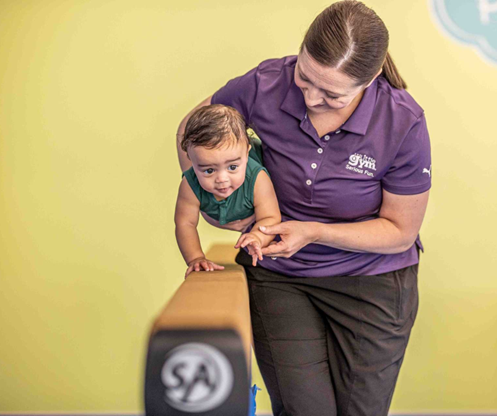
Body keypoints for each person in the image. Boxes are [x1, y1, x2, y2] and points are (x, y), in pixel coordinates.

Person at [175, 1, 431, 414]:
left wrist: (313, 230)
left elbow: (400, 231)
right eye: (305, 78)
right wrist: (209, 196)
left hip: (374, 284)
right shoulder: (265, 83)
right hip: (282, 279)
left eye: (331, 93)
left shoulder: (402, 121)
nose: (311, 98)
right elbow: (193, 130)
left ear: (369, 80)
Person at [175, 104, 281, 277]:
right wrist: (195, 258)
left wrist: (257, 237)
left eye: (232, 167)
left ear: (246, 153)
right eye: (209, 170)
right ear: (191, 160)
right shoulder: (190, 184)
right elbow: (185, 223)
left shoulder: (257, 178)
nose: (222, 179)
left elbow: (270, 217)